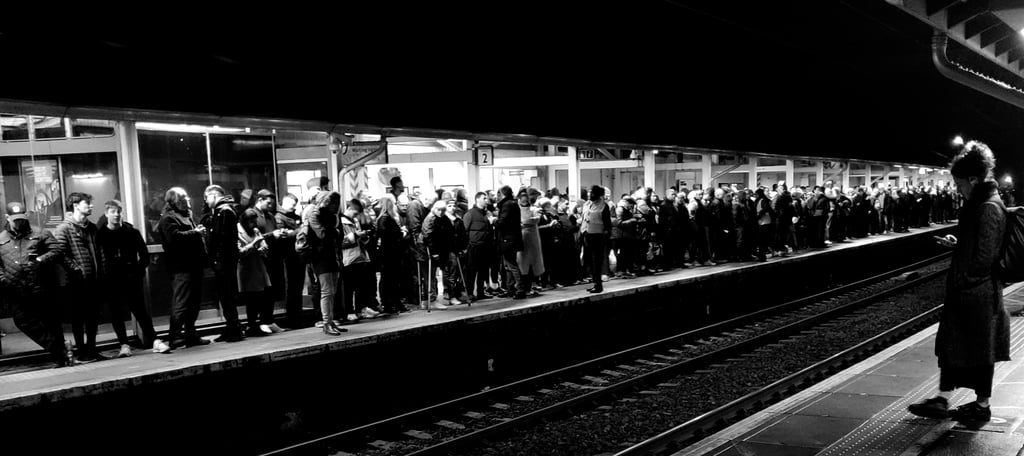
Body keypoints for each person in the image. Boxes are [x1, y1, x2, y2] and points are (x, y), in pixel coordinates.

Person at [908, 141, 1011, 423]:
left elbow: (986, 255)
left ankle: (981, 406)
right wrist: (958, 244)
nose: (958, 189)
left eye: (959, 183)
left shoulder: (989, 207)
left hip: (978, 296)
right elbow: (976, 247)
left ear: (973, 180)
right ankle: (943, 399)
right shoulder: (979, 204)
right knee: (955, 349)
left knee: (978, 351)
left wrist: (965, 279)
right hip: (969, 294)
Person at [0, 202, 71, 366]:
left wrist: (40, 259)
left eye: (21, 218)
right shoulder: (1, 239)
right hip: (15, 289)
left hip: (41, 286)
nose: (19, 222)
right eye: (15, 219)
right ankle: (59, 349)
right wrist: (3, 278)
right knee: (23, 321)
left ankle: (61, 358)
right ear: (7, 218)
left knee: (50, 321)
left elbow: (57, 251)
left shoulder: (40, 233)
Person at [96, 200, 170, 356]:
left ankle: (154, 340)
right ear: (106, 213)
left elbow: (144, 254)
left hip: (130, 278)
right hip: (112, 279)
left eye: (119, 212)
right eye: (113, 212)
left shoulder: (131, 232)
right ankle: (124, 344)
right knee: (117, 312)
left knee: (140, 310)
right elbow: (98, 258)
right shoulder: (101, 235)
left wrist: (137, 272)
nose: (116, 215)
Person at [54, 192, 107, 362]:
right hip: (76, 282)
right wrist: (76, 270)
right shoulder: (64, 228)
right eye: (87, 203)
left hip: (94, 280)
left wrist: (102, 271)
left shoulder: (91, 228)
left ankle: (92, 349)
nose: (91, 206)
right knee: (78, 318)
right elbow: (60, 253)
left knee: (92, 317)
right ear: (76, 205)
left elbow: (100, 252)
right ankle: (81, 350)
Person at [158, 187, 211, 348]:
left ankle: (190, 334)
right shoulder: (168, 218)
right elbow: (173, 239)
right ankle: (174, 336)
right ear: (174, 201)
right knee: (181, 302)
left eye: (186, 197)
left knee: (194, 302)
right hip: (181, 267)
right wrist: (195, 233)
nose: (187, 200)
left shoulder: (187, 216)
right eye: (182, 198)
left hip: (194, 265)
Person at [202, 185, 245, 342]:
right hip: (226, 260)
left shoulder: (224, 211)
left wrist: (216, 258)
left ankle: (234, 328)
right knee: (226, 295)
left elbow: (222, 238)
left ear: (214, 196)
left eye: (206, 198)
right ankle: (232, 327)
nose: (206, 202)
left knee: (226, 295)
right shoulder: (225, 210)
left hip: (224, 261)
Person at [304, 191, 345, 335]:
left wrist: (334, 233)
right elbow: (322, 234)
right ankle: (326, 322)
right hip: (319, 255)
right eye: (333, 203)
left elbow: (336, 234)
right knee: (327, 291)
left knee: (333, 290)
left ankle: (330, 320)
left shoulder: (332, 216)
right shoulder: (315, 214)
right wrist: (335, 232)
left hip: (332, 254)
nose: (336, 207)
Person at [340, 198, 380, 318]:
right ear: (349, 209)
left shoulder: (355, 220)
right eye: (355, 213)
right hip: (349, 258)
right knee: (349, 287)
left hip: (361, 256)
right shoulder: (341, 222)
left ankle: (361, 308)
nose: (356, 216)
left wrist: (364, 237)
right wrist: (356, 235)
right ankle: (349, 311)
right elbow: (341, 242)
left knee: (361, 286)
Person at [238, 208, 273, 337]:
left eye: (255, 221)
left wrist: (263, 248)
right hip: (246, 268)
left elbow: (263, 244)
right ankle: (251, 324)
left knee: (259, 296)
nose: (254, 224)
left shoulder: (255, 230)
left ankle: (255, 324)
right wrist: (255, 243)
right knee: (250, 298)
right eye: (251, 221)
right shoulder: (238, 231)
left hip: (258, 266)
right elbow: (240, 252)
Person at [254, 189, 285, 334]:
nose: (270, 205)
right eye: (268, 202)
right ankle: (262, 321)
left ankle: (269, 319)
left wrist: (280, 233)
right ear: (260, 200)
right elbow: (254, 236)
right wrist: (272, 235)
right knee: (263, 291)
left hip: (273, 256)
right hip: (260, 258)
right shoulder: (253, 215)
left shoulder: (270, 216)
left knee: (271, 290)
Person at [275, 193, 307, 328]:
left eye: (294, 205)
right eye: (291, 205)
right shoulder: (279, 217)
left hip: (297, 255)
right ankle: (293, 318)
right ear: (284, 202)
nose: (293, 208)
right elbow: (283, 236)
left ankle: (297, 317)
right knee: (292, 288)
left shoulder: (293, 216)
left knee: (297, 288)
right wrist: (299, 229)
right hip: (288, 256)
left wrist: (293, 232)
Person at [376, 195, 409, 313]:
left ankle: (392, 303)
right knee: (389, 279)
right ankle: (390, 303)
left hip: (389, 253)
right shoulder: (386, 219)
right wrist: (401, 234)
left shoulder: (383, 219)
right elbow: (389, 237)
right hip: (390, 254)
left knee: (391, 279)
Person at [464, 191, 495, 302]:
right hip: (474, 246)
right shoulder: (470, 214)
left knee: (483, 270)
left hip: (485, 246)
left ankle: (481, 292)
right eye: (484, 198)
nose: (486, 200)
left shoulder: (486, 214)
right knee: (472, 271)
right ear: (477, 199)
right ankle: (470, 292)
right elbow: (465, 231)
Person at [581, 185, 612, 293]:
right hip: (588, 234)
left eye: (593, 193)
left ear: (598, 195)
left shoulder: (604, 206)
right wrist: (583, 232)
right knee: (589, 261)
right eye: (590, 193)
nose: (590, 195)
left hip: (599, 236)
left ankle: (598, 285)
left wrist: (606, 235)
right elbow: (585, 219)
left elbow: (607, 224)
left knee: (597, 261)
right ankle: (594, 282)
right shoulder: (589, 204)